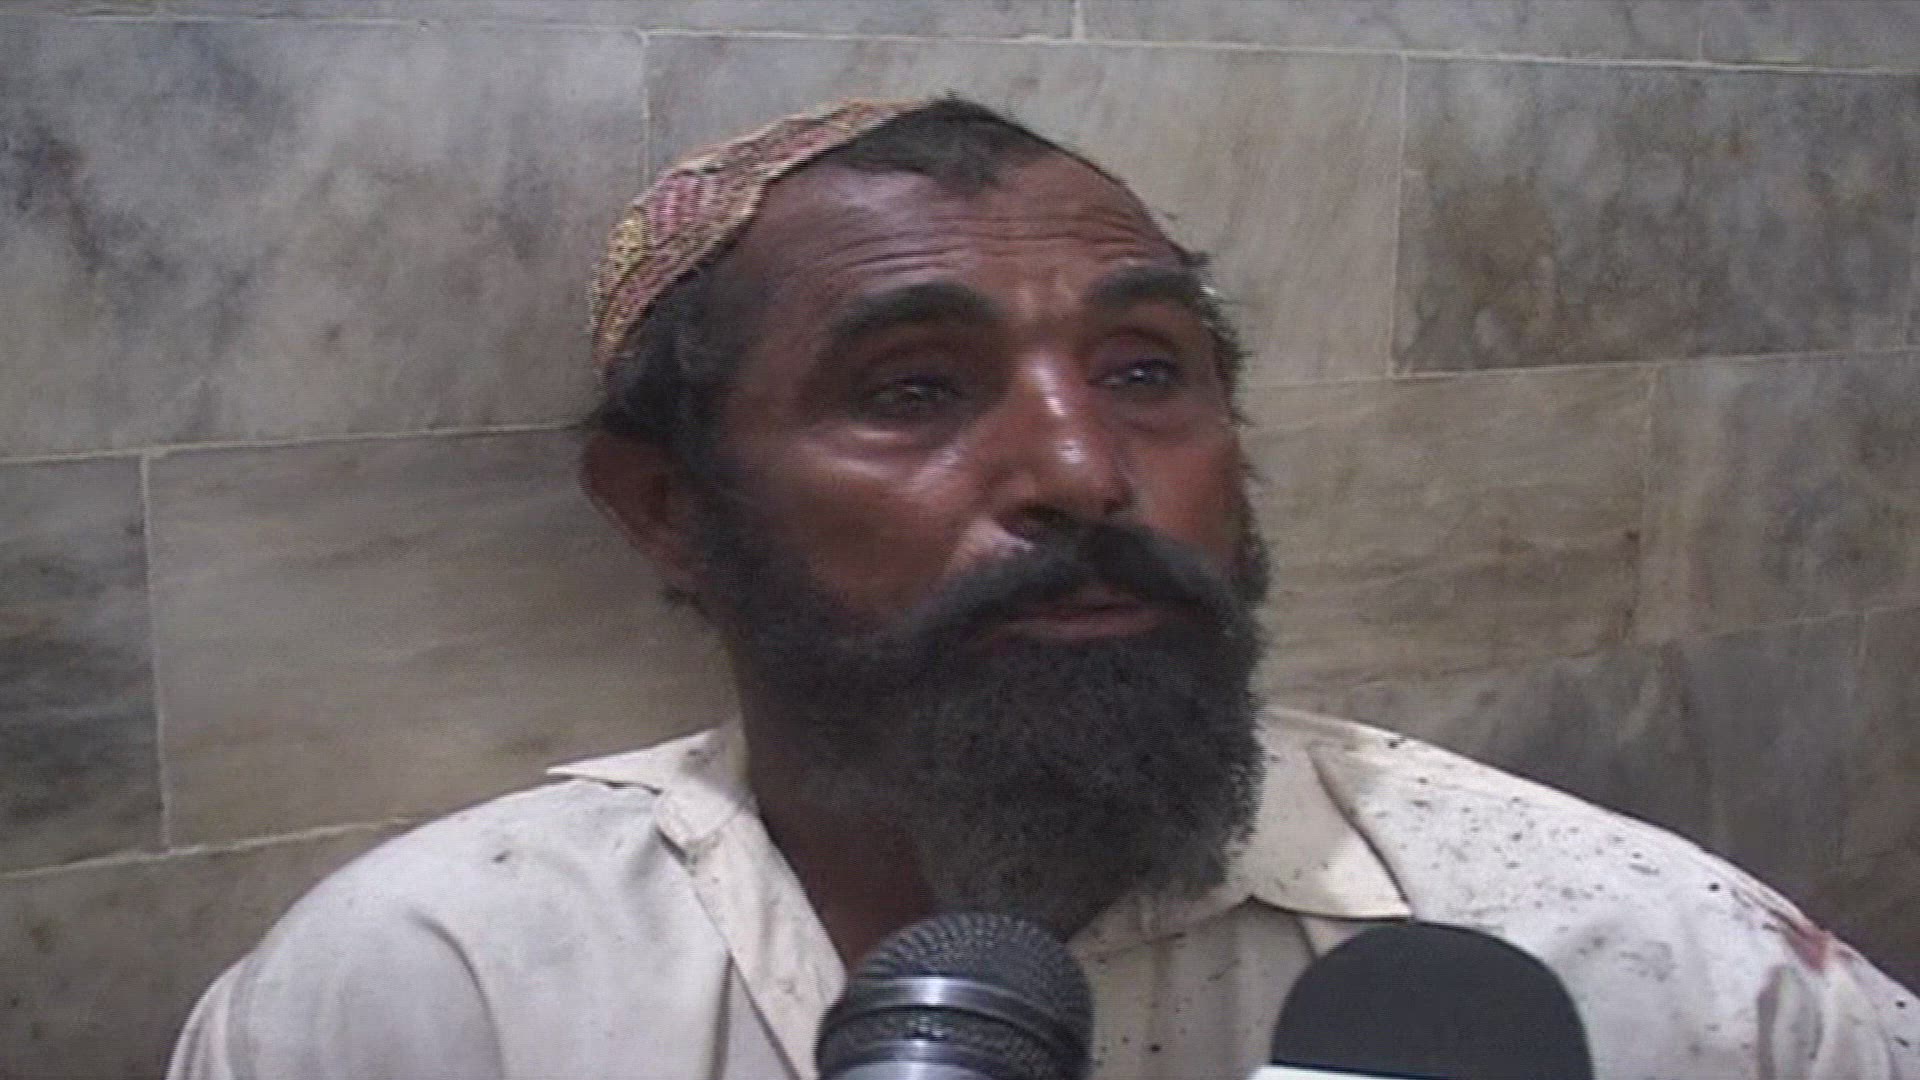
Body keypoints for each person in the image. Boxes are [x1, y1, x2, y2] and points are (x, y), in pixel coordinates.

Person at [169, 97, 1918, 1080]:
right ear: (666, 511)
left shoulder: (1647, 971)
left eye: (1148, 371)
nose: (1083, 470)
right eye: (914, 389)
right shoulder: (439, 998)